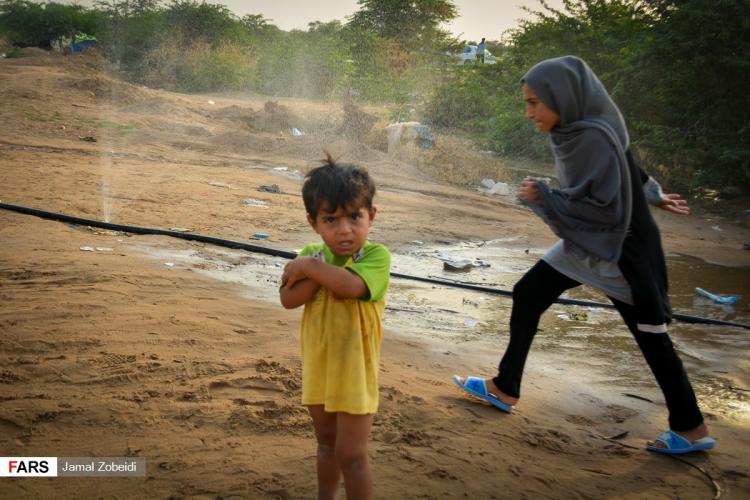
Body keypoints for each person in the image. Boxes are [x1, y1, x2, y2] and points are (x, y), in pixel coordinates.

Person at [453, 56, 715, 455]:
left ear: (563, 97)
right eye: (526, 103)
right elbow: (630, 167)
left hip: (619, 250)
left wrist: (546, 198)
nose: (528, 113)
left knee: (652, 339)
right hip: (592, 243)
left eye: (534, 103)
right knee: (529, 293)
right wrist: (652, 194)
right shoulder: (580, 131)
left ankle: (691, 428)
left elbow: (606, 209)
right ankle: (505, 387)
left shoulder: (592, 136)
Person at [280, 153, 391, 499]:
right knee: (326, 444)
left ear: (371, 216)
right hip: (321, 370)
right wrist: (311, 266)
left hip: (356, 374)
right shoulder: (313, 254)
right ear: (314, 222)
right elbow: (288, 298)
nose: (345, 230)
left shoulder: (376, 257)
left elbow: (349, 287)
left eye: (355, 217)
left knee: (352, 455)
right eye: (331, 220)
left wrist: (307, 267)